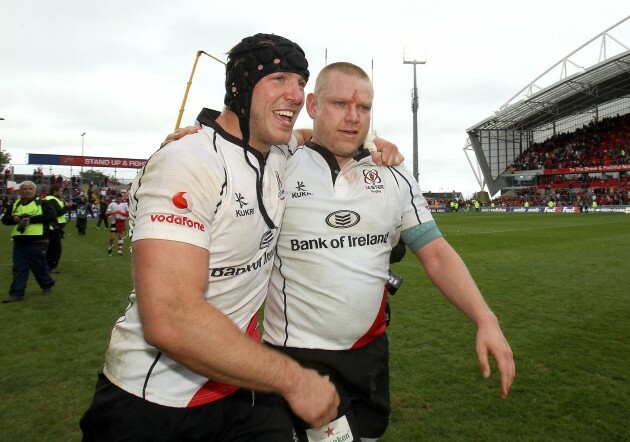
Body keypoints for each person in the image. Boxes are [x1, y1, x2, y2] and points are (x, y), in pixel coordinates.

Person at [169, 62, 515, 441]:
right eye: (339, 104)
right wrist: (201, 140)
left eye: (363, 108)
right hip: (292, 357)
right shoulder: (278, 163)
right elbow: (230, 147)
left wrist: (485, 318)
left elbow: (434, 251)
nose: (353, 118)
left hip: (368, 359)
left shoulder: (394, 173)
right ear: (314, 105)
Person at [80, 33, 345, 441]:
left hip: (242, 381)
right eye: (280, 79)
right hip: (157, 405)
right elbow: (171, 318)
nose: (296, 95)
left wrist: (374, 142)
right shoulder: (188, 160)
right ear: (239, 87)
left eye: (300, 82)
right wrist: (294, 380)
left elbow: (314, 137)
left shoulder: (277, 149)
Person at [2, 181, 56, 303]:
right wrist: (13, 219)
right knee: (19, 268)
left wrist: (31, 220)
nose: (27, 191)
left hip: (38, 240)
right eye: (24, 189)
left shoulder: (42, 203)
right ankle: (16, 293)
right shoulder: (15, 204)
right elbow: (5, 219)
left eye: (30, 189)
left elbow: (51, 216)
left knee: (39, 266)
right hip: (19, 241)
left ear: (34, 190)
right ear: (20, 191)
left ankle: (47, 285)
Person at [44, 184, 67, 273]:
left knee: (50, 247)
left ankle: (47, 265)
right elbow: (58, 212)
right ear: (55, 191)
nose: (62, 193)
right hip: (53, 226)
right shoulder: (51, 199)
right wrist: (66, 207)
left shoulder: (52, 199)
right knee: (55, 248)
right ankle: (52, 266)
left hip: (53, 226)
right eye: (60, 191)